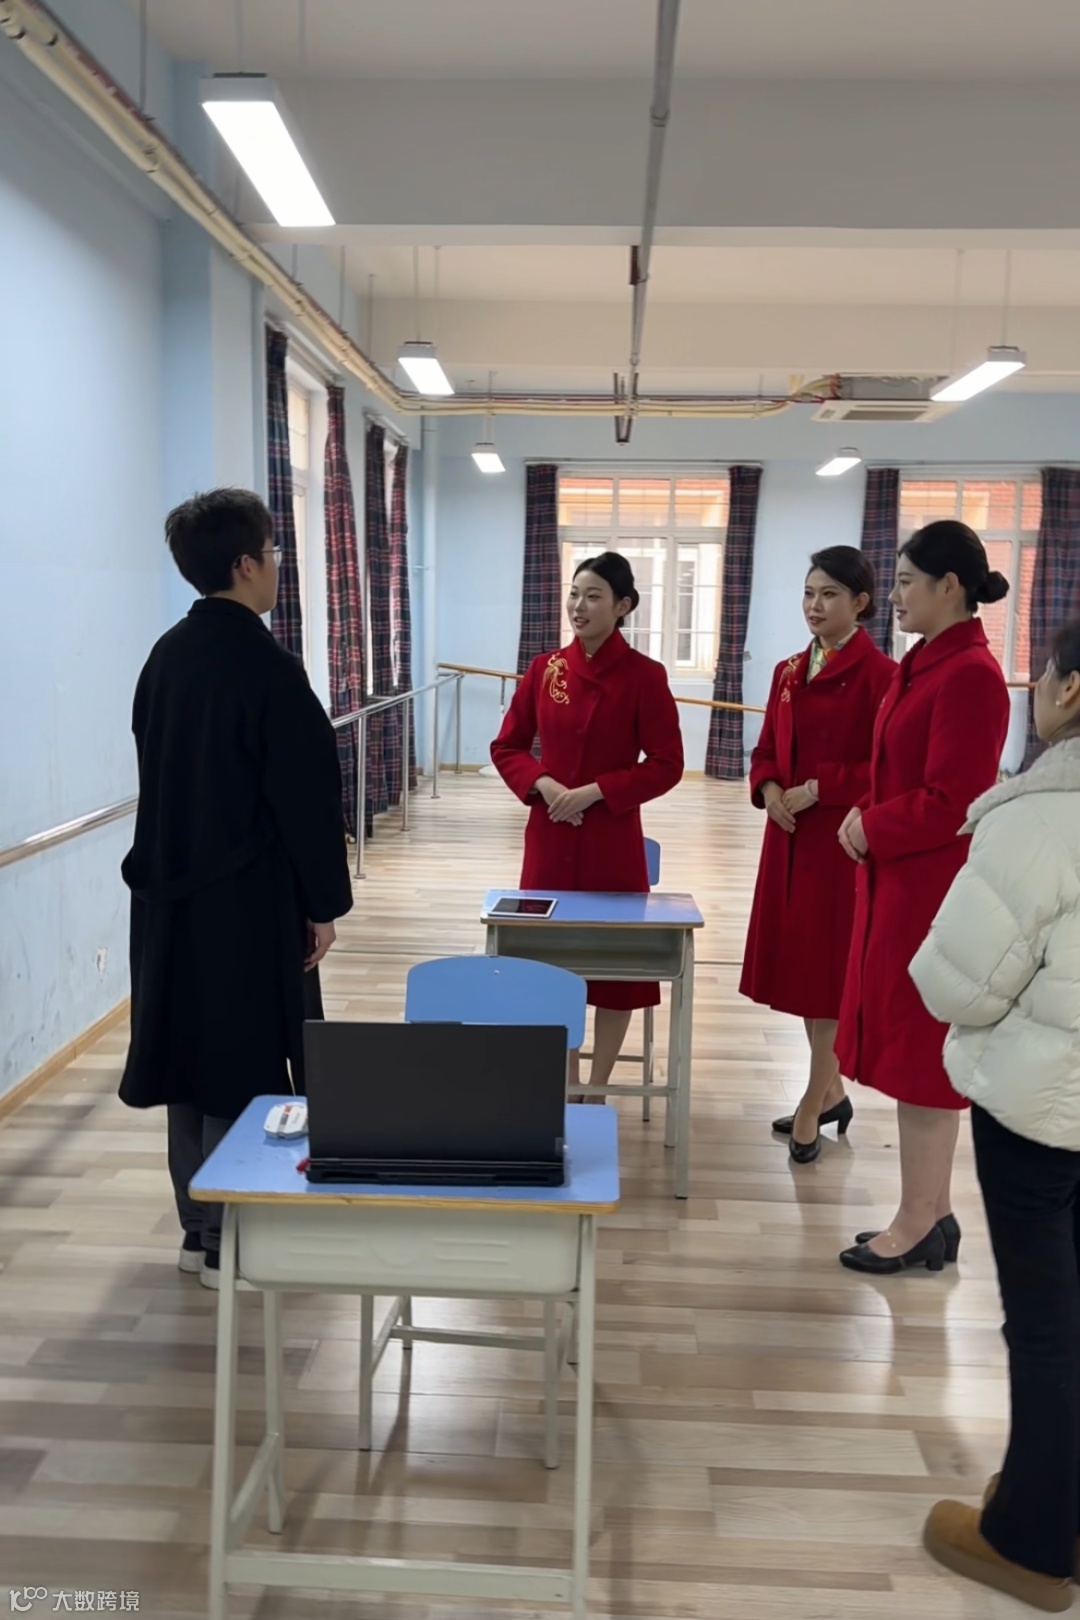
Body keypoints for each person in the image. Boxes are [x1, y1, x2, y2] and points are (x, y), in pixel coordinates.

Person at [118, 489, 354, 1288]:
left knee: (188, 1062)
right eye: (274, 552)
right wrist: (322, 903)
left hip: (164, 900)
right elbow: (306, 798)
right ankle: (231, 1241)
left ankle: (197, 1230)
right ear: (246, 564)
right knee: (241, 1065)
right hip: (243, 903)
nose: (278, 566)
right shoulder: (266, 668)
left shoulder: (165, 657)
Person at [910, 622, 1080, 1614]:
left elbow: (959, 984)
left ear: (1069, 691)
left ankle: (1030, 1540)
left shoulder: (1040, 816)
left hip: (1044, 1113)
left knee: (1047, 1324)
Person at [834, 519, 1010, 1274]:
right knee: (914, 1050)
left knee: (922, 1057)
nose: (896, 595)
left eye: (907, 581)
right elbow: (899, 773)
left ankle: (913, 1223)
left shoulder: (970, 675)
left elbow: (953, 798)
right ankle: (933, 1214)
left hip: (928, 889)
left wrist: (872, 825)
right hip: (899, 882)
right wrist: (864, 815)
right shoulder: (927, 663)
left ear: (950, 587)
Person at [491, 552, 684, 1097]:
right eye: (574, 593)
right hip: (549, 837)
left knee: (617, 973)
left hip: (611, 841)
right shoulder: (545, 669)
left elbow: (667, 763)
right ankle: (566, 1083)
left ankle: (596, 1088)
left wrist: (597, 791)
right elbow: (507, 746)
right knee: (551, 966)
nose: (579, 605)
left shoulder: (645, 676)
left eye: (594, 595)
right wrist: (546, 785)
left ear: (623, 606)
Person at [742, 547, 894, 1162]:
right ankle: (831, 1094)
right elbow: (765, 750)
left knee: (829, 981)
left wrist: (817, 787)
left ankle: (811, 1105)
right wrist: (771, 790)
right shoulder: (787, 670)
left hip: (838, 843)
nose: (815, 605)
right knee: (804, 977)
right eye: (809, 593)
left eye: (829, 594)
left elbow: (884, 768)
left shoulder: (881, 676)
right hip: (787, 837)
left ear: (860, 602)